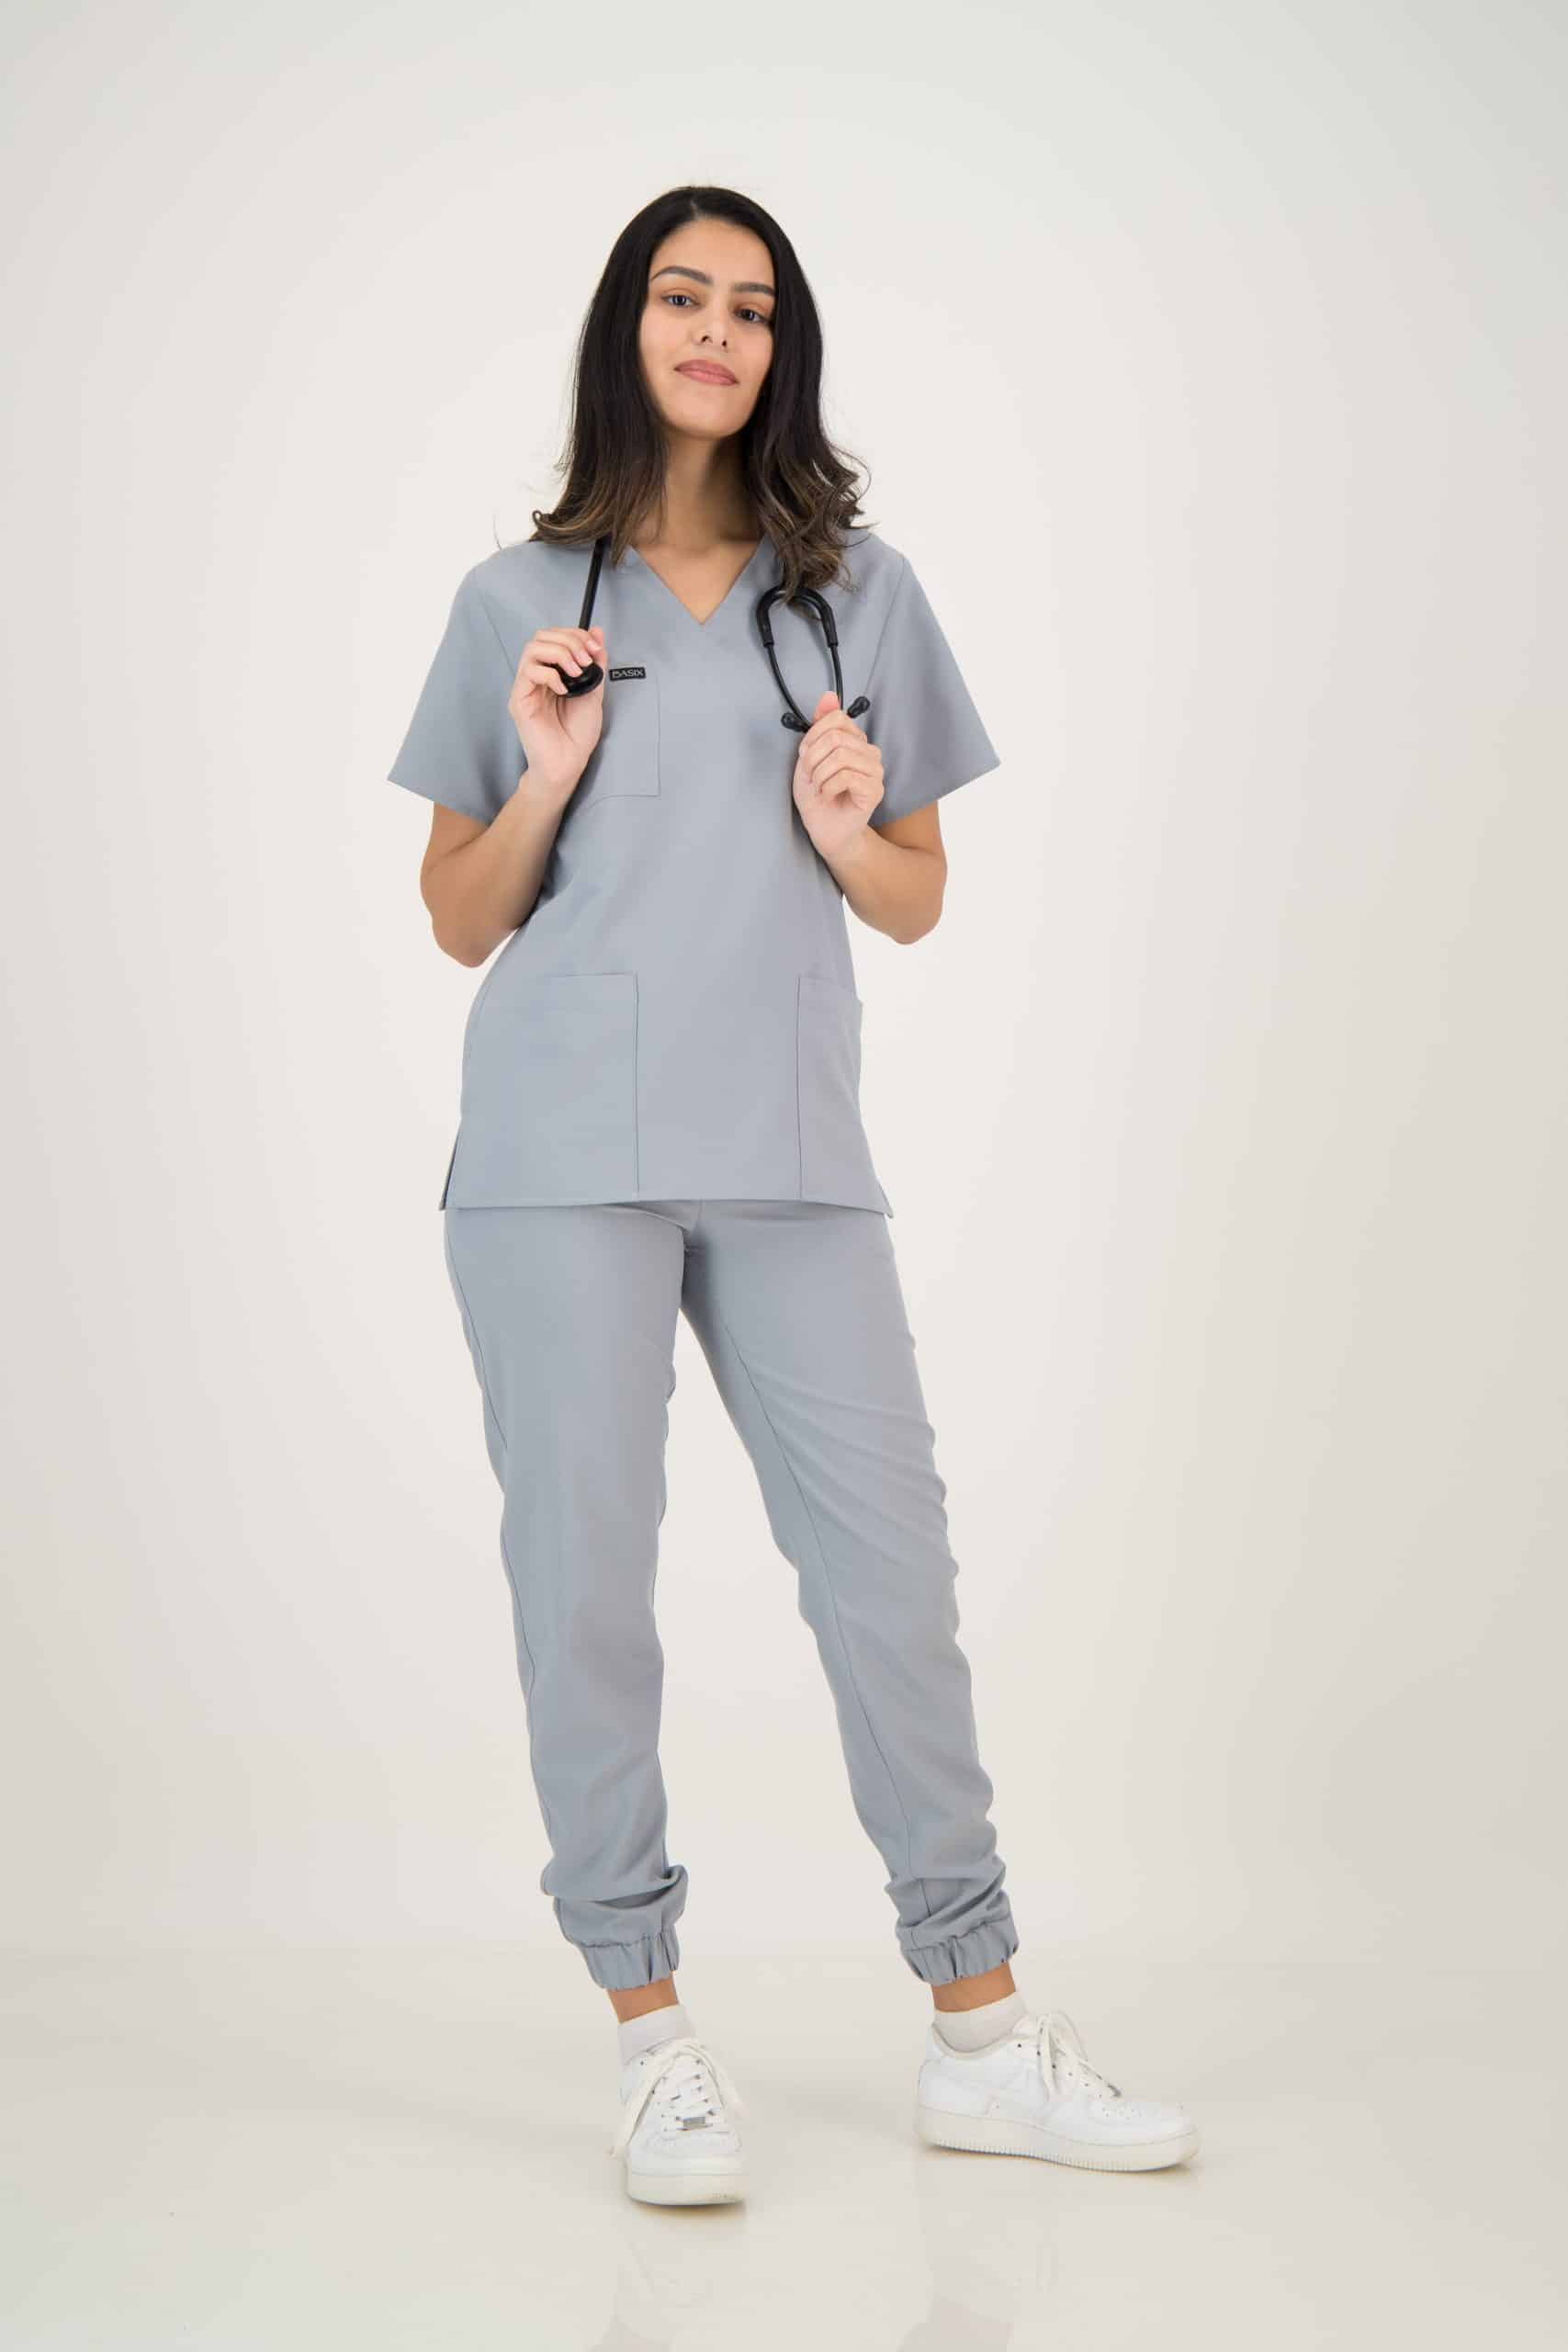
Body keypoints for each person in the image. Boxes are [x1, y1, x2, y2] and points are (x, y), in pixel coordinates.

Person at [387, 184, 1198, 2206]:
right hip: (559, 1158)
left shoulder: (859, 596)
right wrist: (546, 771)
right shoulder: (517, 603)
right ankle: (650, 2037)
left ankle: (982, 2031)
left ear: (782, 350)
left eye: (751, 308)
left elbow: (915, 901)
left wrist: (844, 826)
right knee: (586, 1594)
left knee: (889, 1582)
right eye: (683, 297)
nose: (716, 332)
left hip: (790, 1155)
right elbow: (458, 919)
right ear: (628, 328)